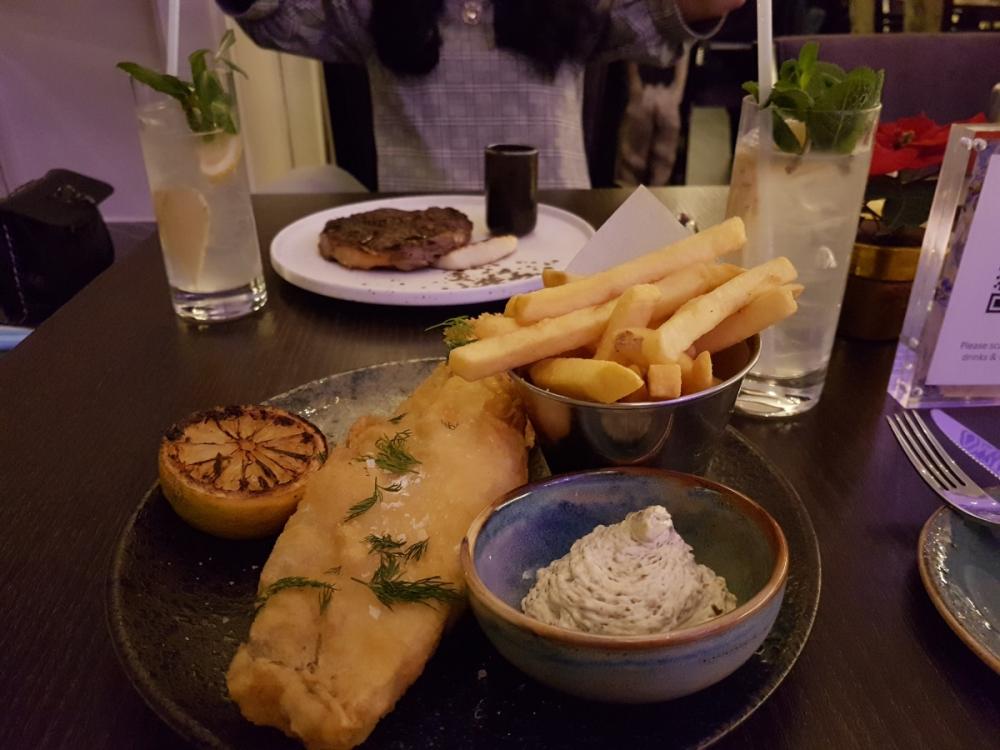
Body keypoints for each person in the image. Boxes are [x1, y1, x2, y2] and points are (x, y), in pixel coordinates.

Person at [218, 1, 744, 191]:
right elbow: (281, 17)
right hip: (412, 258)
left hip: (556, 255)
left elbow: (656, 19)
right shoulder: (370, 8)